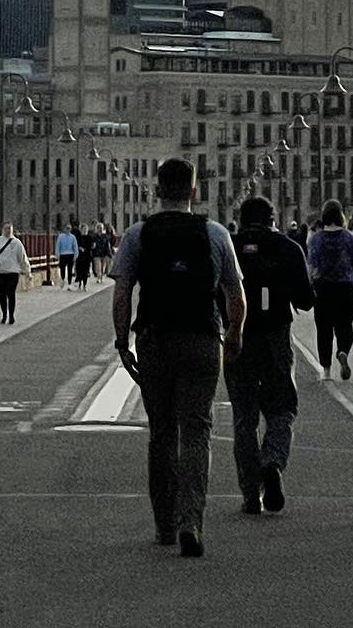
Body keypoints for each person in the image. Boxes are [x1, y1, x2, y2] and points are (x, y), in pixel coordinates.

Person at [110, 158, 246, 559]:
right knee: (198, 429)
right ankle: (192, 521)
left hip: (155, 341)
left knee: (162, 433)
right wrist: (234, 336)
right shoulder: (215, 233)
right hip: (203, 340)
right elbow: (236, 295)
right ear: (193, 192)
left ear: (156, 191)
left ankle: (165, 525)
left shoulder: (138, 234)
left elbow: (121, 295)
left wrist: (122, 342)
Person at [226, 196, 314, 516]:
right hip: (276, 336)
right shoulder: (289, 248)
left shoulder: (229, 246)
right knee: (282, 407)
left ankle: (251, 494)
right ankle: (273, 460)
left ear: (242, 217)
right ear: (272, 218)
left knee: (244, 417)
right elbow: (305, 301)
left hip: (238, 336)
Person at [307, 198, 353, 379]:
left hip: (323, 288)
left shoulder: (316, 239)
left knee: (323, 329)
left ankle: (326, 371)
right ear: (341, 216)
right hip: (346, 288)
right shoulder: (349, 238)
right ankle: (343, 352)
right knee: (345, 326)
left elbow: (312, 266)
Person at [0, 222, 32, 324]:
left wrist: (27, 271)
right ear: (2, 229)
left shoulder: (17, 243)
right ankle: (4, 314)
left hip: (13, 272)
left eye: (9, 229)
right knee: (1, 294)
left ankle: (11, 315)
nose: (8, 231)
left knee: (11, 294)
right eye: (6, 228)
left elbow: (22, 257)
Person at [55, 223, 80, 288]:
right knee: (62, 268)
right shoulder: (60, 236)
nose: (68, 230)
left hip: (70, 254)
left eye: (69, 228)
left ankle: (69, 283)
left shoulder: (73, 237)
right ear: (64, 229)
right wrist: (57, 254)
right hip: (62, 254)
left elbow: (75, 246)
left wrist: (75, 255)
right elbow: (58, 246)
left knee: (70, 269)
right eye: (67, 228)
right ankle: (62, 279)